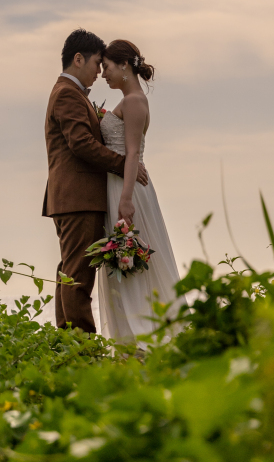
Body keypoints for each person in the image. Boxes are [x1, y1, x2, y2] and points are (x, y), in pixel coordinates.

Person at [42, 28, 148, 333]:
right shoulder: (66, 93)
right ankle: (82, 350)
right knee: (78, 277)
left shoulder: (68, 93)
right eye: (96, 65)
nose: (99, 72)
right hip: (78, 197)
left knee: (69, 272)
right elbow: (81, 144)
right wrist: (124, 163)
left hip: (72, 197)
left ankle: (68, 343)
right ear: (78, 59)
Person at [96, 39, 183, 344]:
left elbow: (132, 153)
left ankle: (143, 336)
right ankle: (131, 336)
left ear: (123, 66)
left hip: (127, 188)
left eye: (106, 67)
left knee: (132, 259)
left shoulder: (134, 101)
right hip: (120, 184)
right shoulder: (127, 99)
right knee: (122, 259)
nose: (103, 74)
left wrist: (126, 200)